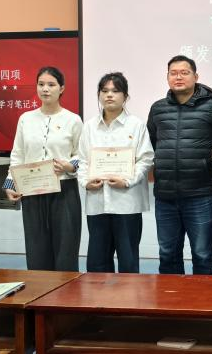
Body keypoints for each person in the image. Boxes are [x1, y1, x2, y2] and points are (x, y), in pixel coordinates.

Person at [147, 55, 212, 275]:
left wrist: (210, 171)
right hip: (165, 196)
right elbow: (152, 144)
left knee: (202, 255)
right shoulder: (158, 109)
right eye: (173, 73)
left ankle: (202, 298)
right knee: (167, 254)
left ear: (196, 76)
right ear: (167, 77)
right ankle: (171, 298)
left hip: (200, 195)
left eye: (184, 72)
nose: (178, 77)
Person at [3, 67, 83, 271]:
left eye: (51, 85)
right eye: (41, 84)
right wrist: (10, 184)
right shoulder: (26, 118)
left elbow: (81, 155)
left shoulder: (73, 120)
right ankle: (39, 291)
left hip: (64, 190)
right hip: (31, 191)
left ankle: (66, 291)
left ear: (61, 88)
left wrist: (69, 166)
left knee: (66, 251)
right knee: (36, 250)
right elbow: (18, 154)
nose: (45, 89)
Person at [77, 72, 154, 273]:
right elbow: (82, 160)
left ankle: (128, 295)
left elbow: (146, 158)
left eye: (115, 91)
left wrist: (128, 181)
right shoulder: (89, 127)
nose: (109, 95)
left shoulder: (136, 125)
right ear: (99, 95)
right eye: (104, 91)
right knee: (97, 264)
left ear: (125, 96)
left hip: (127, 202)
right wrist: (85, 182)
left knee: (128, 262)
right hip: (97, 203)